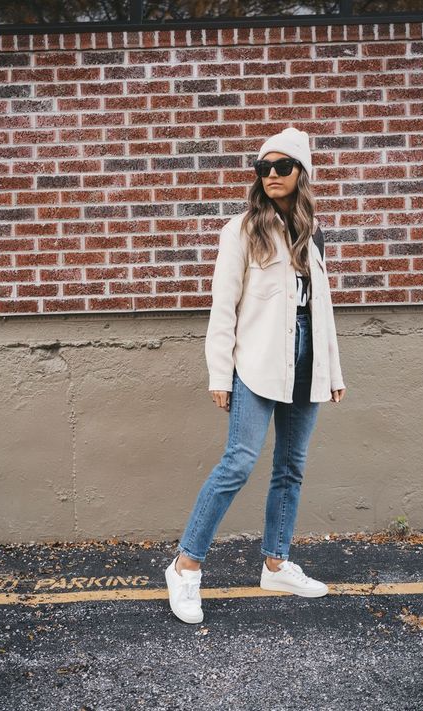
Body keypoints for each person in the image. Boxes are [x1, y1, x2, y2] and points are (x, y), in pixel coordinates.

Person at [165, 126, 347, 624]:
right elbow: (223, 308)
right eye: (262, 167)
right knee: (238, 463)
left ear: (301, 172)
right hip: (256, 364)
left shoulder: (314, 234)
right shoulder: (242, 229)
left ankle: (276, 562)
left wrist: (331, 367)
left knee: (291, 466)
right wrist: (219, 375)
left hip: (306, 363)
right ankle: (185, 567)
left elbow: (321, 310)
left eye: (281, 166)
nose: (270, 175)